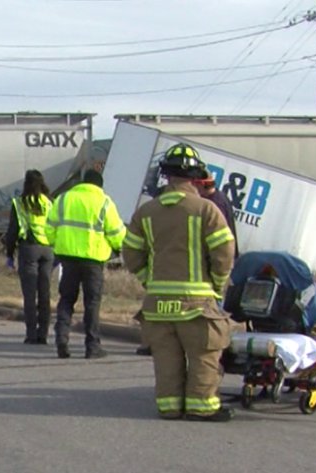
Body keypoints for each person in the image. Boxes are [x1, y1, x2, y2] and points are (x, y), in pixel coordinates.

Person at [123, 143, 236, 422]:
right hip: (197, 303)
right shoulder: (206, 210)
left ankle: (170, 406)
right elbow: (224, 253)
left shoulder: (145, 213)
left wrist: (149, 280)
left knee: (166, 359)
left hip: (158, 304)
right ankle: (201, 407)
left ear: (166, 175)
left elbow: (130, 252)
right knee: (203, 356)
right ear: (196, 176)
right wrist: (218, 286)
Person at [136, 167, 239, 356]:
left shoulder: (211, 205)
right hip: (200, 287)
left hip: (196, 286)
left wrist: (147, 280)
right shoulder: (207, 205)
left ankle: (214, 345)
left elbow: (221, 249)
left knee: (209, 322)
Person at [45, 169, 125, 359]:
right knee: (92, 303)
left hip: (68, 258)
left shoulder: (64, 199)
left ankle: (61, 340)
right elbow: (116, 233)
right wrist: (118, 248)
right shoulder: (105, 202)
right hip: (93, 259)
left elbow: (49, 228)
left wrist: (57, 244)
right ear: (99, 185)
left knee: (66, 300)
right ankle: (92, 345)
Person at [5, 170, 54, 344]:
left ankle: (31, 334)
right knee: (45, 293)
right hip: (48, 250)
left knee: (29, 294)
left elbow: (13, 231)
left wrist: (9, 254)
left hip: (29, 249)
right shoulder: (49, 202)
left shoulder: (19, 203)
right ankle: (43, 334)